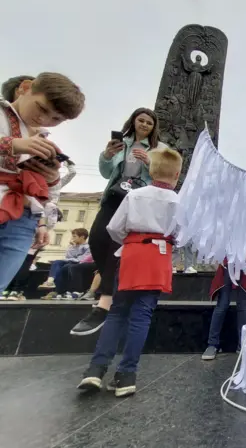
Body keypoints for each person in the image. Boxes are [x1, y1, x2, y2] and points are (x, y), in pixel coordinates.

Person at [77, 147, 182, 397]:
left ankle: (96, 369)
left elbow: (115, 228)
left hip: (132, 254)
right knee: (142, 315)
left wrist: (132, 241)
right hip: (159, 257)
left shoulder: (136, 195)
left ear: (151, 170)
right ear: (177, 175)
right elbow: (182, 235)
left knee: (117, 312)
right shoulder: (179, 201)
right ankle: (126, 376)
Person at [71, 108, 166, 336]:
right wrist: (105, 155)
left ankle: (104, 302)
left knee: (116, 246)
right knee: (96, 240)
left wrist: (149, 163)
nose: (144, 125)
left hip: (135, 200)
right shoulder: (120, 143)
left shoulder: (158, 150)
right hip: (113, 197)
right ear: (133, 121)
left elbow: (162, 176)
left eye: (149, 123)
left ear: (154, 128)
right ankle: (116, 286)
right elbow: (106, 173)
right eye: (141, 120)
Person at [0, 72, 85, 293]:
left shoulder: (43, 139)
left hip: (24, 218)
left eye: (56, 119)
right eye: (42, 108)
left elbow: (50, 191)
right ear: (26, 88)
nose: (44, 119)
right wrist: (13, 145)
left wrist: (50, 178)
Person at [202, 259, 246, 360]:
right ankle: (212, 344)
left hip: (244, 264)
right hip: (227, 263)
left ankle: (243, 345)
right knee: (222, 306)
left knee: (243, 306)